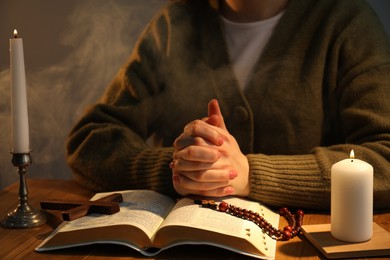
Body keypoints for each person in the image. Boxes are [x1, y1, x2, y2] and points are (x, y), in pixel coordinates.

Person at [66, 0, 390, 210]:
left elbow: (385, 157)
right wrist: (181, 167)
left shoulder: (346, 21)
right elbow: (90, 141)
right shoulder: (175, 23)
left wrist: (249, 175)